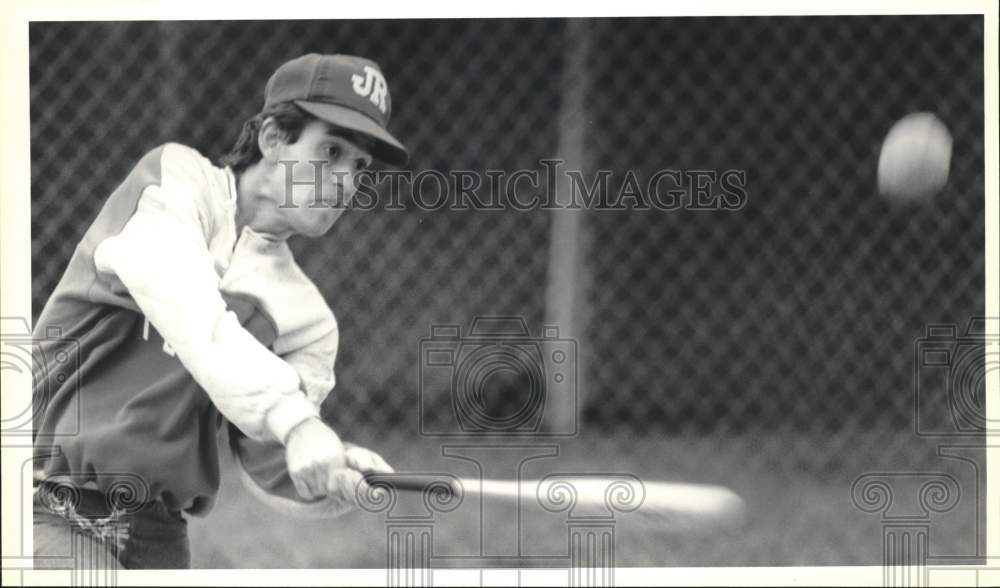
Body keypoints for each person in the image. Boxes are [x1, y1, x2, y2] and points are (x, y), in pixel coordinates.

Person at [31, 53, 407, 570]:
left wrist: (334, 475)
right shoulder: (174, 182)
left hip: (159, 535)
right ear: (273, 139)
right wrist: (298, 423)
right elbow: (189, 308)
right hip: (47, 502)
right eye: (332, 151)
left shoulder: (310, 320)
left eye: (360, 167)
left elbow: (269, 457)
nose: (346, 180)